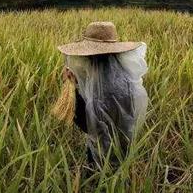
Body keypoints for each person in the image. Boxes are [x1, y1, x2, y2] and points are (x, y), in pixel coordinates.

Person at [58, 21, 149, 168]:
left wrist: (72, 89)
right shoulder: (125, 79)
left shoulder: (100, 92)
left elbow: (89, 126)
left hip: (101, 160)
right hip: (126, 150)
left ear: (90, 58)